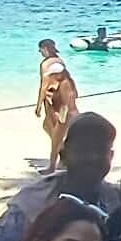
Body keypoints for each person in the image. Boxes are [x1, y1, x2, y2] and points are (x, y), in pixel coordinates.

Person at [0, 112, 121, 241]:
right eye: (83, 150)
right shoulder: (33, 201)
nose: (92, 157)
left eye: (100, 150)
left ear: (111, 156)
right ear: (63, 154)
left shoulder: (120, 201)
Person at [34, 40, 80, 174]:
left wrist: (38, 106)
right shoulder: (60, 62)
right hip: (61, 101)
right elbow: (73, 89)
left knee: (57, 133)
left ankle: (53, 165)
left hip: (60, 104)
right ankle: (63, 153)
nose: (40, 52)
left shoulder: (46, 64)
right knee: (48, 126)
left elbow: (44, 85)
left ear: (45, 48)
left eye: (41, 49)